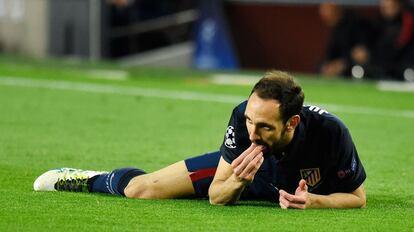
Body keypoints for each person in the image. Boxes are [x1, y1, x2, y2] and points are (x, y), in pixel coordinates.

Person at [34, 71, 367, 209]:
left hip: (288, 187)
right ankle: (88, 178)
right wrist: (238, 180)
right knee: (141, 190)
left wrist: (315, 202)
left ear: (291, 122)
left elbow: (357, 197)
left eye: (265, 127)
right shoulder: (243, 118)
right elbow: (216, 195)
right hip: (247, 176)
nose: (252, 132)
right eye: (250, 120)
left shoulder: (330, 132)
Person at [361, 0, 414, 80]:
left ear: (398, 5)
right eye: (383, 7)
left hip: (403, 65)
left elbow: (401, 44)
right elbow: (371, 45)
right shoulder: (377, 22)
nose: (385, 8)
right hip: (380, 67)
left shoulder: (408, 20)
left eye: (389, 6)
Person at [319, 2, 373, 78]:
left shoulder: (355, 23)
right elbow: (331, 53)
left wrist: (342, 64)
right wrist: (328, 66)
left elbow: (361, 53)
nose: (324, 15)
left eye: (327, 10)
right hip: (342, 69)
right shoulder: (336, 29)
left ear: (335, 9)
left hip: (358, 70)